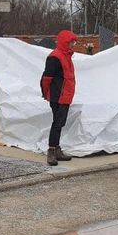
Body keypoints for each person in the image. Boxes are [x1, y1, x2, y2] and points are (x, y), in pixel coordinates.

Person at [40, 30, 78, 166]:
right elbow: (46, 78)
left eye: (74, 42)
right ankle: (51, 151)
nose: (73, 44)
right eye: (71, 42)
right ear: (65, 42)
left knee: (60, 123)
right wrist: (46, 93)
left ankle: (56, 149)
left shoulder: (66, 56)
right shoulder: (55, 57)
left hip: (65, 96)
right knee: (57, 123)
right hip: (58, 97)